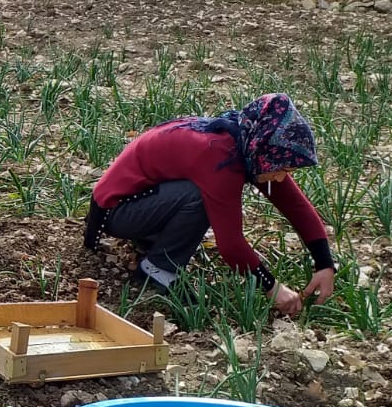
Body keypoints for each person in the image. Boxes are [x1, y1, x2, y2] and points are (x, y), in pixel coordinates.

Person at [83, 93, 336, 317]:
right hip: (116, 210)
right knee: (199, 196)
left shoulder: (248, 144)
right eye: (282, 169)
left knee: (199, 193)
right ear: (266, 153)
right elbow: (231, 246)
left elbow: (297, 207)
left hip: (142, 200)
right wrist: (272, 287)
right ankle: (157, 268)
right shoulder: (220, 157)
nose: (281, 177)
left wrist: (324, 264)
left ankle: (153, 242)